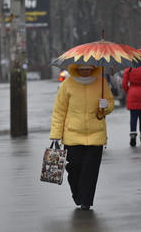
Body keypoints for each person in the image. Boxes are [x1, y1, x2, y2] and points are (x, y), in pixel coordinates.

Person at [49, 64, 115, 210]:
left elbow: (110, 104)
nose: (85, 72)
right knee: (74, 169)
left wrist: (106, 106)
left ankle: (86, 201)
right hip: (72, 135)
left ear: (93, 69)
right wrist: (55, 135)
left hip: (95, 134)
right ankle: (78, 194)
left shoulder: (102, 83)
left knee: (90, 170)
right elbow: (59, 111)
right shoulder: (67, 84)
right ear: (76, 69)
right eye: (82, 69)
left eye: (88, 69)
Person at [121, 49, 141, 147]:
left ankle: (133, 135)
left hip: (132, 92)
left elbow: (124, 83)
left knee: (133, 116)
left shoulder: (129, 68)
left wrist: (129, 91)